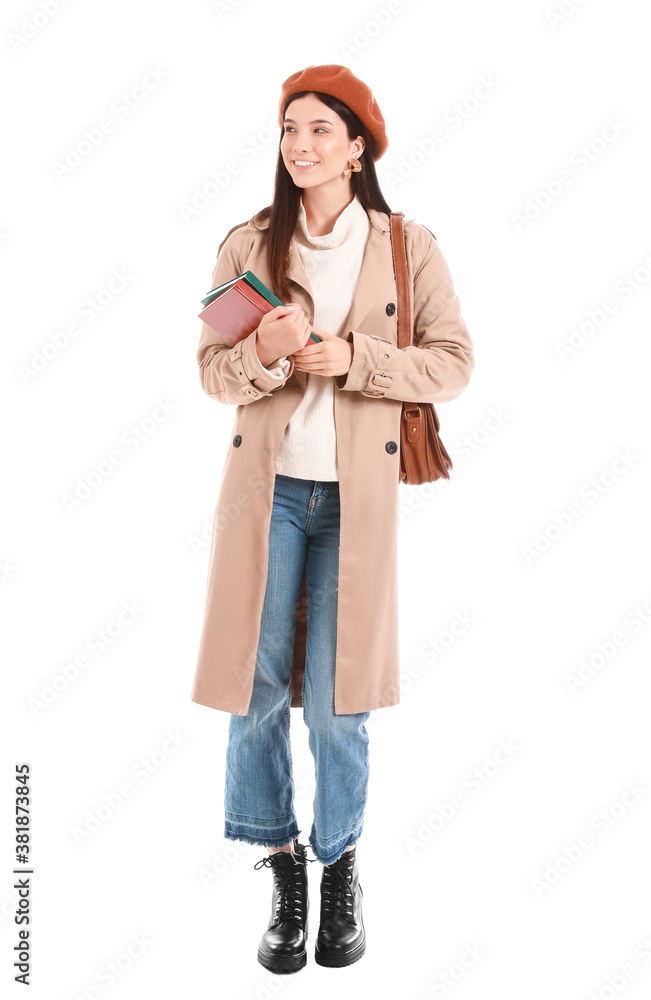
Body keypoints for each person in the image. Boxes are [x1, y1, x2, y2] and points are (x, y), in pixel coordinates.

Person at [190, 64, 475, 973]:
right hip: (267, 494)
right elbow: (211, 370)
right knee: (256, 685)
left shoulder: (406, 247)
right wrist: (267, 358)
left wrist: (354, 356)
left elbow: (453, 362)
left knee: (342, 703)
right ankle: (280, 866)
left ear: (358, 148)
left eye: (319, 130)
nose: (299, 146)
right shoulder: (249, 243)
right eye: (287, 130)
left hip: (357, 499)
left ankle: (338, 859)